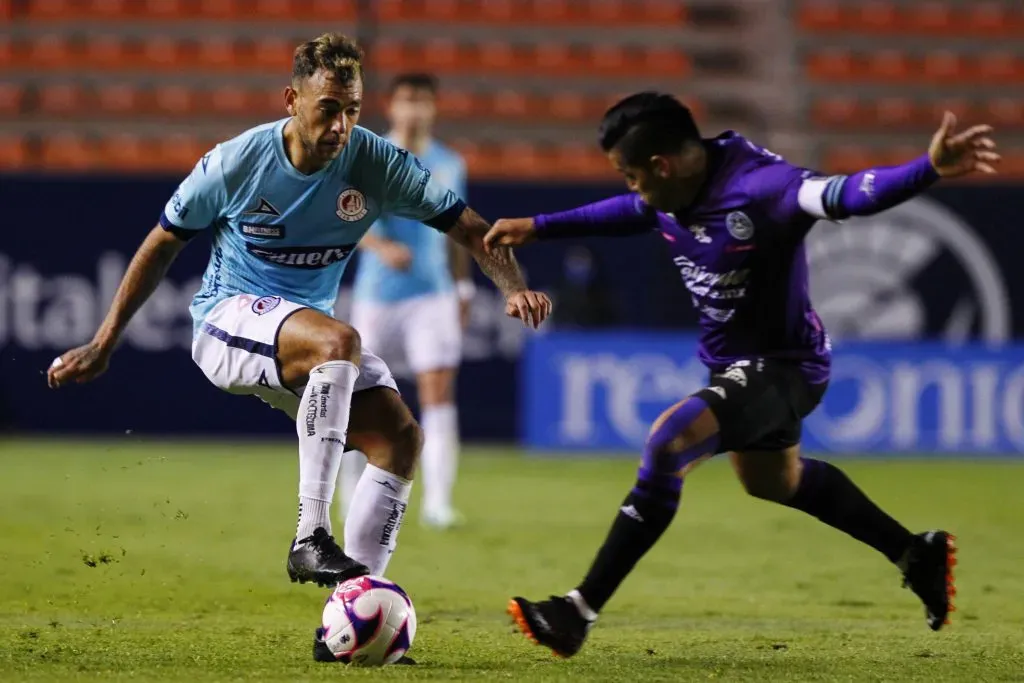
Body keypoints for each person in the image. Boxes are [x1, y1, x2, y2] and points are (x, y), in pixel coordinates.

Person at [484, 92, 998, 657]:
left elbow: (844, 194)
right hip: (733, 365)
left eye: (631, 175)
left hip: (783, 367)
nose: (630, 187)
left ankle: (576, 610)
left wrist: (927, 169)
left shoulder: (764, 188)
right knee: (774, 481)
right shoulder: (671, 188)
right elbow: (637, 210)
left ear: (662, 165)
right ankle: (913, 552)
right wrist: (539, 226)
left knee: (667, 441)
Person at [46, 33, 550, 597]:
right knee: (340, 341)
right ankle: (310, 532)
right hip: (227, 322)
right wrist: (105, 340)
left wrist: (512, 286)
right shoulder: (237, 162)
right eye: (328, 109)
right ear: (292, 100)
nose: (340, 126)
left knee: (400, 438)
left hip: (302, 341)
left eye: (353, 111)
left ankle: (351, 613)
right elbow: (162, 242)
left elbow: (471, 228)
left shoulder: (377, 164)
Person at [340, 73, 471, 530]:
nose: (414, 110)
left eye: (422, 101)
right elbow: (347, 216)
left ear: (434, 108)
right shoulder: (368, 156)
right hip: (378, 295)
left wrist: (464, 287)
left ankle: (438, 502)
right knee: (359, 396)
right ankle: (350, 497)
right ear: (392, 107)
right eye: (406, 101)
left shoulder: (450, 164)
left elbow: (460, 231)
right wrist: (381, 247)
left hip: (432, 293)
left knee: (437, 391)